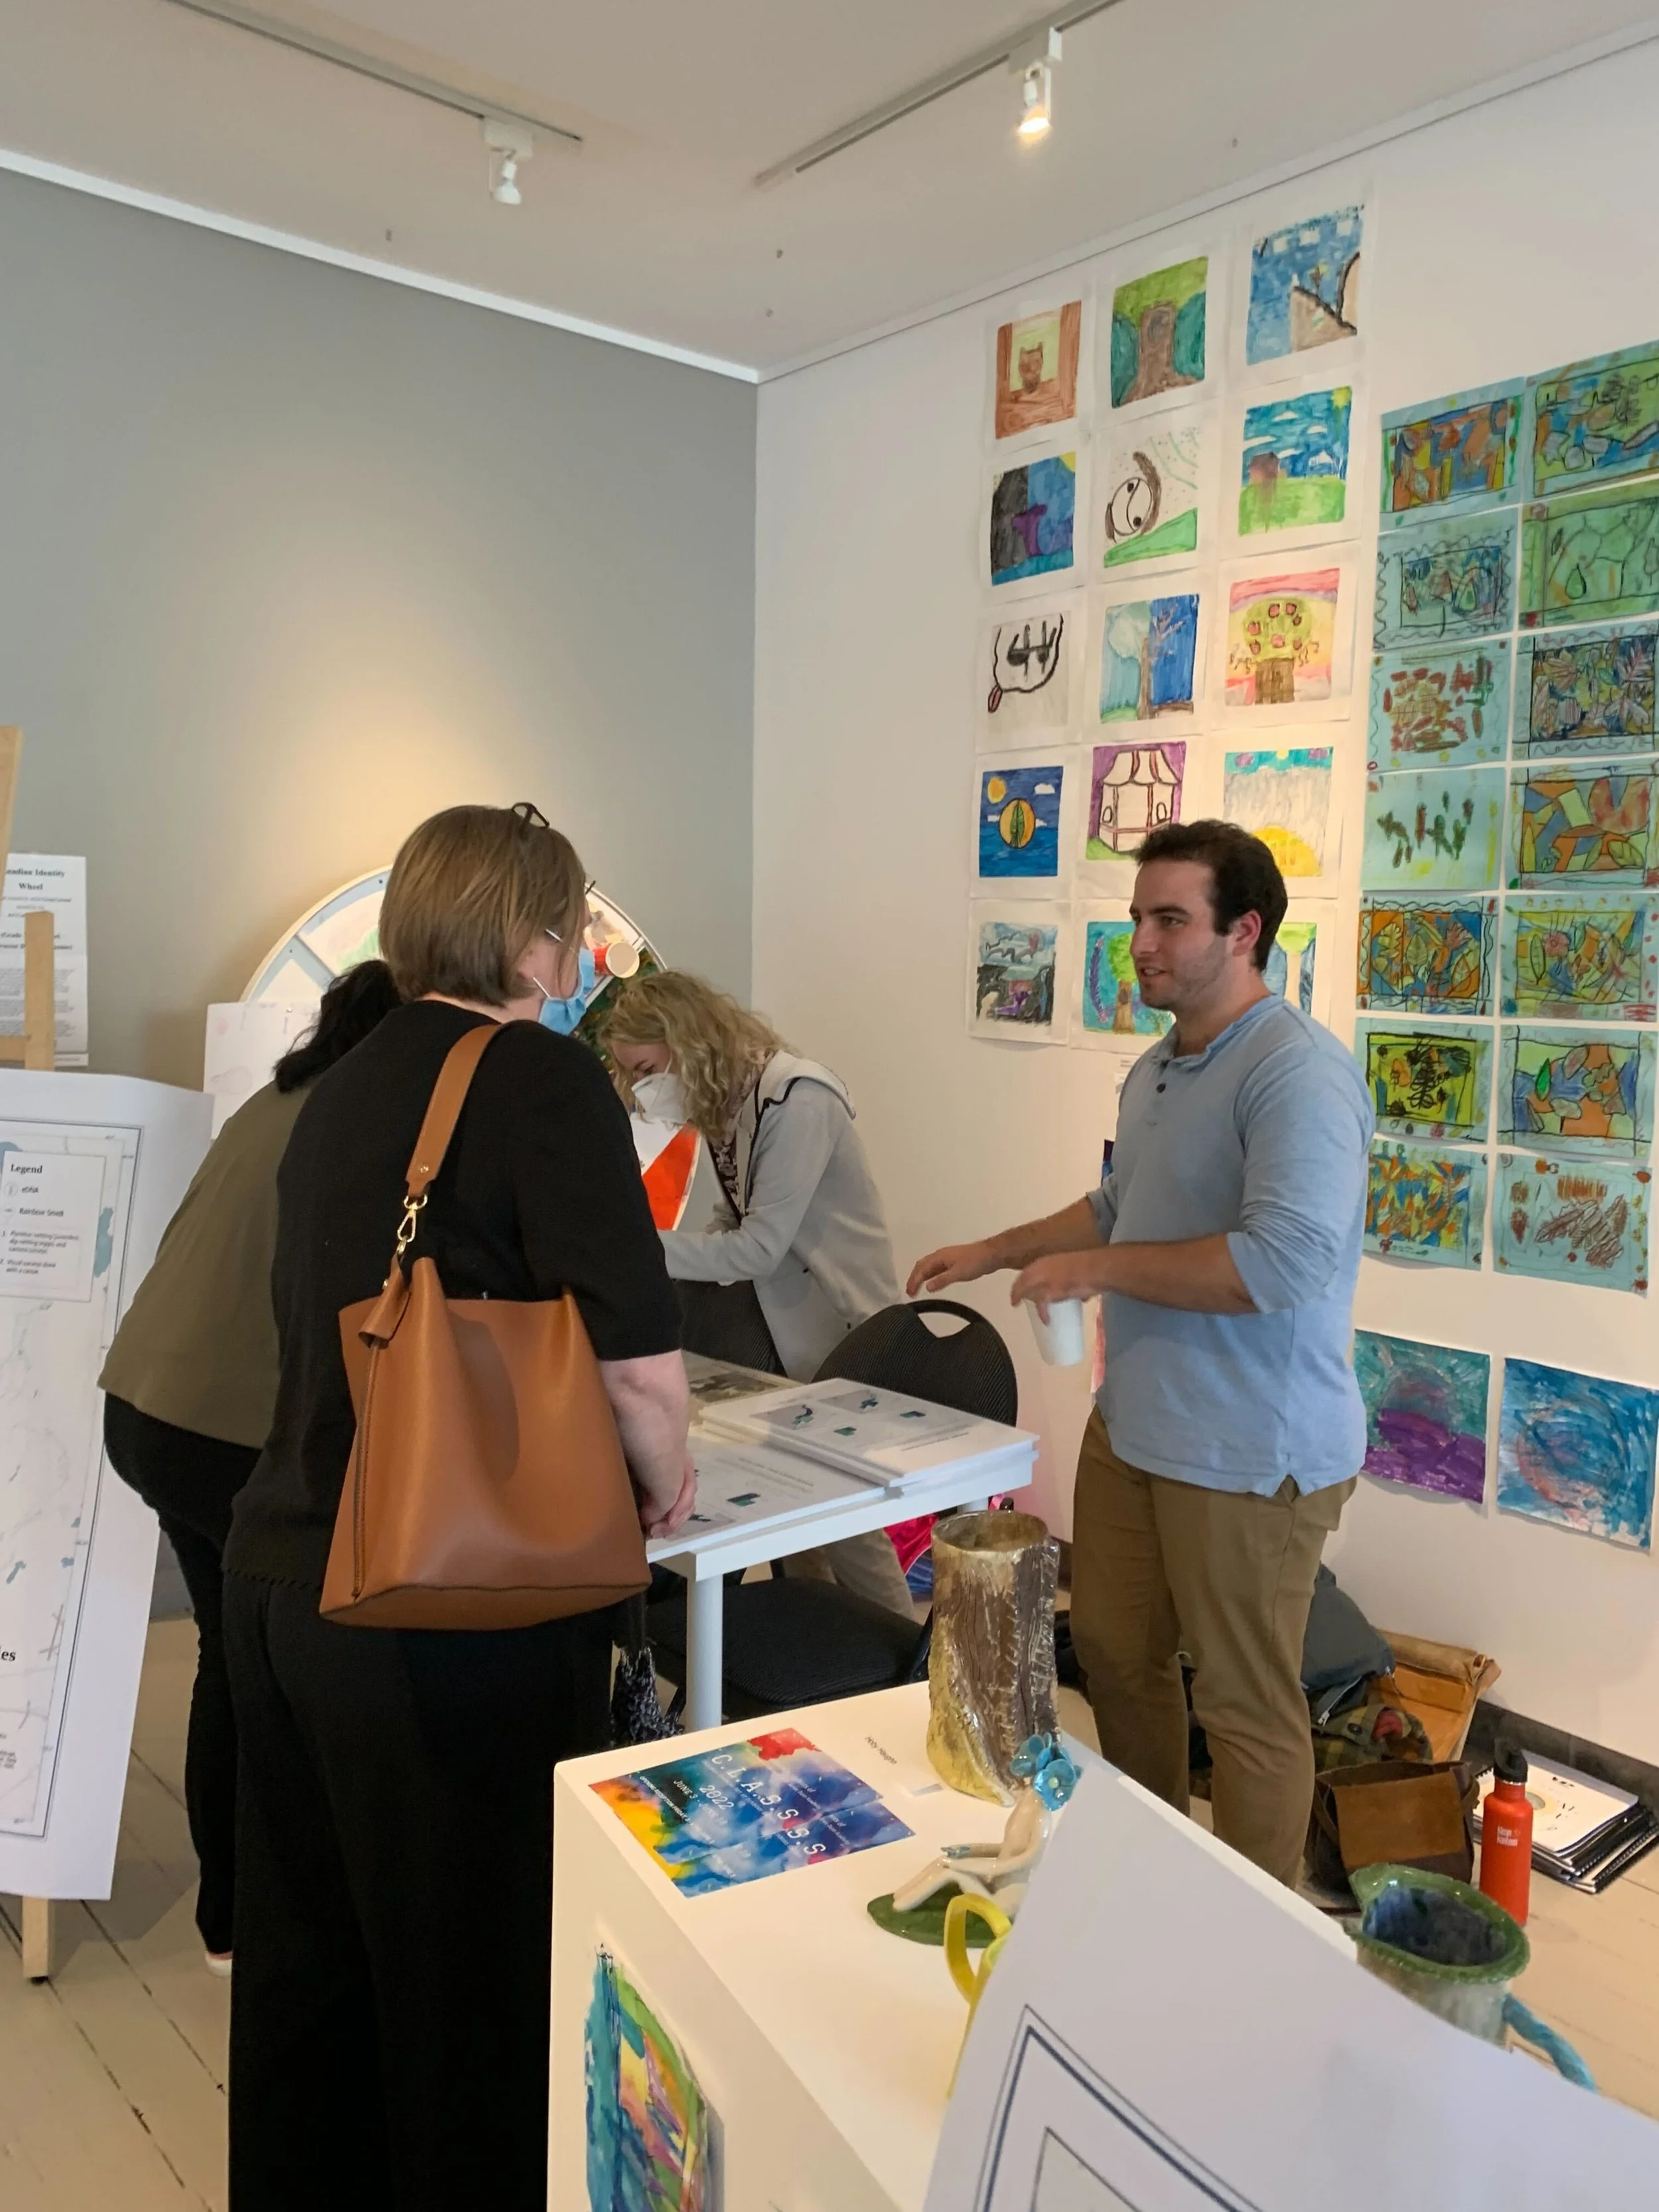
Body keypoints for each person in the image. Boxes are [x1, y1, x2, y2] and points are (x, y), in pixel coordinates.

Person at [220, 803, 693, 2211]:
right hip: (440, 1602)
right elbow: (637, 1366)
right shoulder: (539, 1078)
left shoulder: (341, 1079)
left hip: (282, 1578)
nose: (583, 958)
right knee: (469, 2005)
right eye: (573, 929)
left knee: (312, 1989)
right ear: (532, 937)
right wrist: (666, 1478)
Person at [910, 820, 1372, 1888]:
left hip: (1251, 1452)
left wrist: (1097, 1270)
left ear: (1245, 931)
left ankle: (1248, 1937)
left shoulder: (1296, 1075)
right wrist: (999, 1249)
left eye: (1170, 919)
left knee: (1244, 1703)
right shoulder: (1160, 1067)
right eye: (1137, 919)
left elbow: (1279, 1264)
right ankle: (1153, 1879)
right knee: (1116, 1656)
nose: (1143, 944)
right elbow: (1120, 1205)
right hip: (1136, 1428)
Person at [100, 959, 401, 1972]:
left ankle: (231, 1917)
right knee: (266, 1670)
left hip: (145, 1402)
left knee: (229, 1659)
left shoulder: (274, 1100)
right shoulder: (363, 1127)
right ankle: (256, 1916)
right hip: (220, 1434)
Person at [605, 970, 914, 1615]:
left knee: (847, 1517)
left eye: (646, 1070)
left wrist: (640, 1245)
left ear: (687, 1042)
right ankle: (817, 1638)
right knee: (799, 1511)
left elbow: (758, 1249)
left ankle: (905, 1653)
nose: (642, 1088)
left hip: (844, 1327)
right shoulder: (732, 1106)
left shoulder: (797, 1099)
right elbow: (736, 1222)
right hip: (788, 1327)